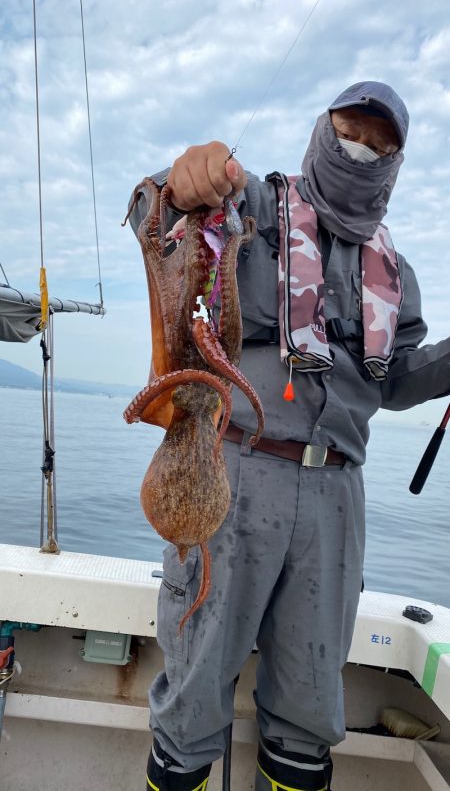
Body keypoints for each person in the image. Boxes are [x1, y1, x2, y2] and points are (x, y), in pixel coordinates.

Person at [129, 81, 450, 791]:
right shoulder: (253, 201)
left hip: (337, 495)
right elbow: (158, 216)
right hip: (234, 468)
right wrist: (183, 180)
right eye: (349, 130)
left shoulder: (397, 273)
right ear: (321, 129)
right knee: (193, 690)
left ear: (396, 161)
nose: (360, 148)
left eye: (379, 143)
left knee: (310, 706)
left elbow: (396, 381)